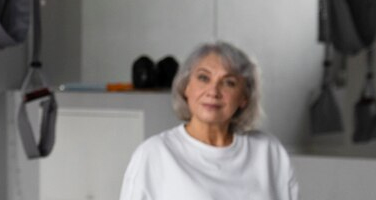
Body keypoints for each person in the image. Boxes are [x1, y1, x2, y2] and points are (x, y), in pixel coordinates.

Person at [119, 42, 298, 200]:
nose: (213, 91)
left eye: (229, 82)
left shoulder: (268, 151)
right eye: (203, 78)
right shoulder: (154, 154)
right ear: (185, 87)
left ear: (244, 97)